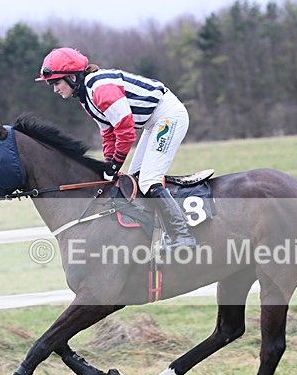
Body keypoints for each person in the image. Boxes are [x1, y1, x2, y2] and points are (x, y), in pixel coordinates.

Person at [36, 47, 196, 249]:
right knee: (136, 180)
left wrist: (115, 164)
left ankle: (183, 236)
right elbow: (108, 133)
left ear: (73, 78)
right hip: (152, 122)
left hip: (168, 116)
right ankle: (158, 233)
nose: (55, 89)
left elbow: (126, 131)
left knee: (148, 180)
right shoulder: (86, 98)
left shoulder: (101, 90)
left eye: (56, 83)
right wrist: (109, 164)